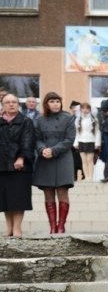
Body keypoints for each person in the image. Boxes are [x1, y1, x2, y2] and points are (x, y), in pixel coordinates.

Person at [33, 92, 77, 235]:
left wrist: (54, 150)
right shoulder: (39, 120)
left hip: (63, 157)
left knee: (62, 191)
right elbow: (36, 138)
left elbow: (70, 140)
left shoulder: (68, 118)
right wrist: (42, 149)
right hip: (45, 158)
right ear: (46, 103)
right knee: (48, 192)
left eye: (58, 101)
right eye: (52, 101)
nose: (55, 104)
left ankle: (61, 225)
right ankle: (52, 226)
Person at [0, 92, 36, 237]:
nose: (11, 104)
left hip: (20, 166)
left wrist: (21, 158)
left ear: (18, 104)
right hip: (1, 166)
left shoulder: (26, 121)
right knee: (5, 199)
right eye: (8, 102)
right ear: (3, 105)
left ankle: (17, 228)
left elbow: (28, 141)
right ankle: (8, 228)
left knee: (18, 198)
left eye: (14, 102)